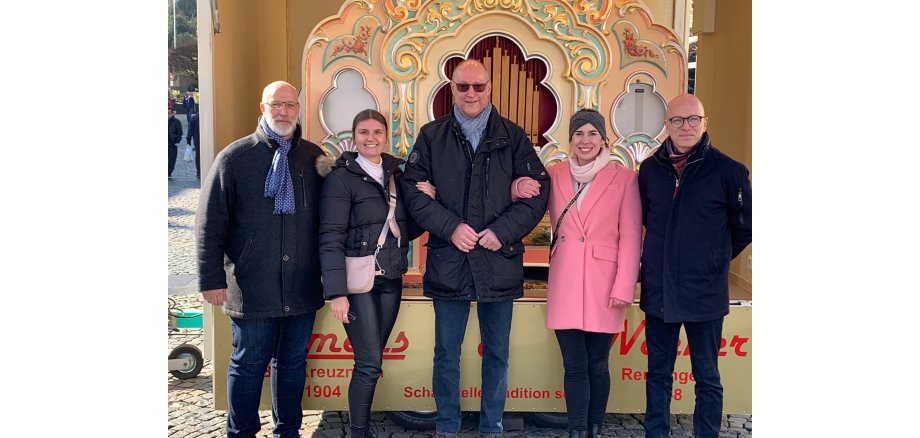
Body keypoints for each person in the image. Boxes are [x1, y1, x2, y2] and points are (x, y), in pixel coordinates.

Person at [401, 59, 550, 438]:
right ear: (451, 88)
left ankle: (492, 427)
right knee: (446, 354)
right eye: (463, 86)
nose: (471, 94)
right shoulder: (431, 136)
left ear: (490, 88)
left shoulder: (513, 137)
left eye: (478, 87)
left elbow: (538, 193)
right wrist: (450, 227)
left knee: (497, 354)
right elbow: (412, 192)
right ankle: (447, 426)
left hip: (498, 260)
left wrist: (502, 231)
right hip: (449, 260)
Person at [196, 80, 327, 438]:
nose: (283, 111)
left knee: (292, 365)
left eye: (290, 105)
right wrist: (211, 279)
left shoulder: (315, 159)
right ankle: (241, 433)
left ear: (298, 110)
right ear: (262, 107)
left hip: (301, 287)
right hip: (253, 286)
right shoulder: (235, 158)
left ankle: (288, 431)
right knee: (248, 364)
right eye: (275, 105)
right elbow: (210, 222)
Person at [514, 109, 641, 438]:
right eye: (579, 134)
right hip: (567, 277)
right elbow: (530, 204)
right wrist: (517, 185)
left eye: (592, 134)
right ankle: (576, 431)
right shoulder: (554, 174)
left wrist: (624, 285)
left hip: (606, 282)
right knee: (573, 363)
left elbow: (630, 236)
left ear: (602, 139)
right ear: (570, 139)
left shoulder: (624, 177)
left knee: (597, 363)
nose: (585, 140)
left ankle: (594, 428)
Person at [638, 94, 752, 438]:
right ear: (667, 124)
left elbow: (744, 227)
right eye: (677, 120)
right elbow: (646, 218)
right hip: (659, 290)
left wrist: (712, 260)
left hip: (704, 292)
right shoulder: (649, 170)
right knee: (658, 373)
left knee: (707, 375)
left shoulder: (729, 171)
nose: (685, 126)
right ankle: (655, 433)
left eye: (693, 120)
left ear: (705, 124)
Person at [318, 109, 437, 438]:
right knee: (369, 362)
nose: (371, 138)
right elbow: (330, 237)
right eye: (363, 132)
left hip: (391, 279)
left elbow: (403, 230)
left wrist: (425, 201)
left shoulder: (396, 174)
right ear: (354, 136)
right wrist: (336, 292)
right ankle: (359, 431)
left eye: (377, 132)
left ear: (386, 136)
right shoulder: (341, 178)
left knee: (371, 360)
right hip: (358, 284)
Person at [168, 107, 183, 178]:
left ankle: (169, 172)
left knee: (172, 159)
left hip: (172, 143)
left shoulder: (177, 121)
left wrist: (177, 141)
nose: (168, 115)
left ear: (172, 113)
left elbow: (180, 132)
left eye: (169, 113)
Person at [186, 112, 201, 178]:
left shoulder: (193, 118)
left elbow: (190, 131)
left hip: (197, 140)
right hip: (208, 139)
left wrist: (188, 141)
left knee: (198, 156)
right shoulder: (209, 116)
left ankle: (199, 172)